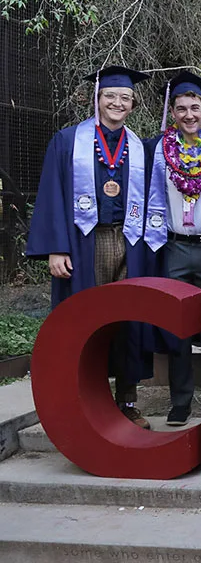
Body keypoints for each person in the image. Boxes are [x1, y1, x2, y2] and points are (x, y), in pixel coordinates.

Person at [26, 66, 154, 428]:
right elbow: (51, 194)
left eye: (125, 98)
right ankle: (83, 402)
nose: (117, 102)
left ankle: (127, 401)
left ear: (133, 105)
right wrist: (56, 247)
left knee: (129, 319)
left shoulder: (139, 148)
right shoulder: (67, 141)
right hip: (84, 243)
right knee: (85, 321)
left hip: (129, 241)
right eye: (110, 96)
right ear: (97, 99)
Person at [143, 72, 201, 426]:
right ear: (173, 112)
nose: (189, 114)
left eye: (195, 107)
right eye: (181, 108)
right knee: (176, 327)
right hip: (174, 247)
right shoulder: (157, 150)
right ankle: (179, 401)